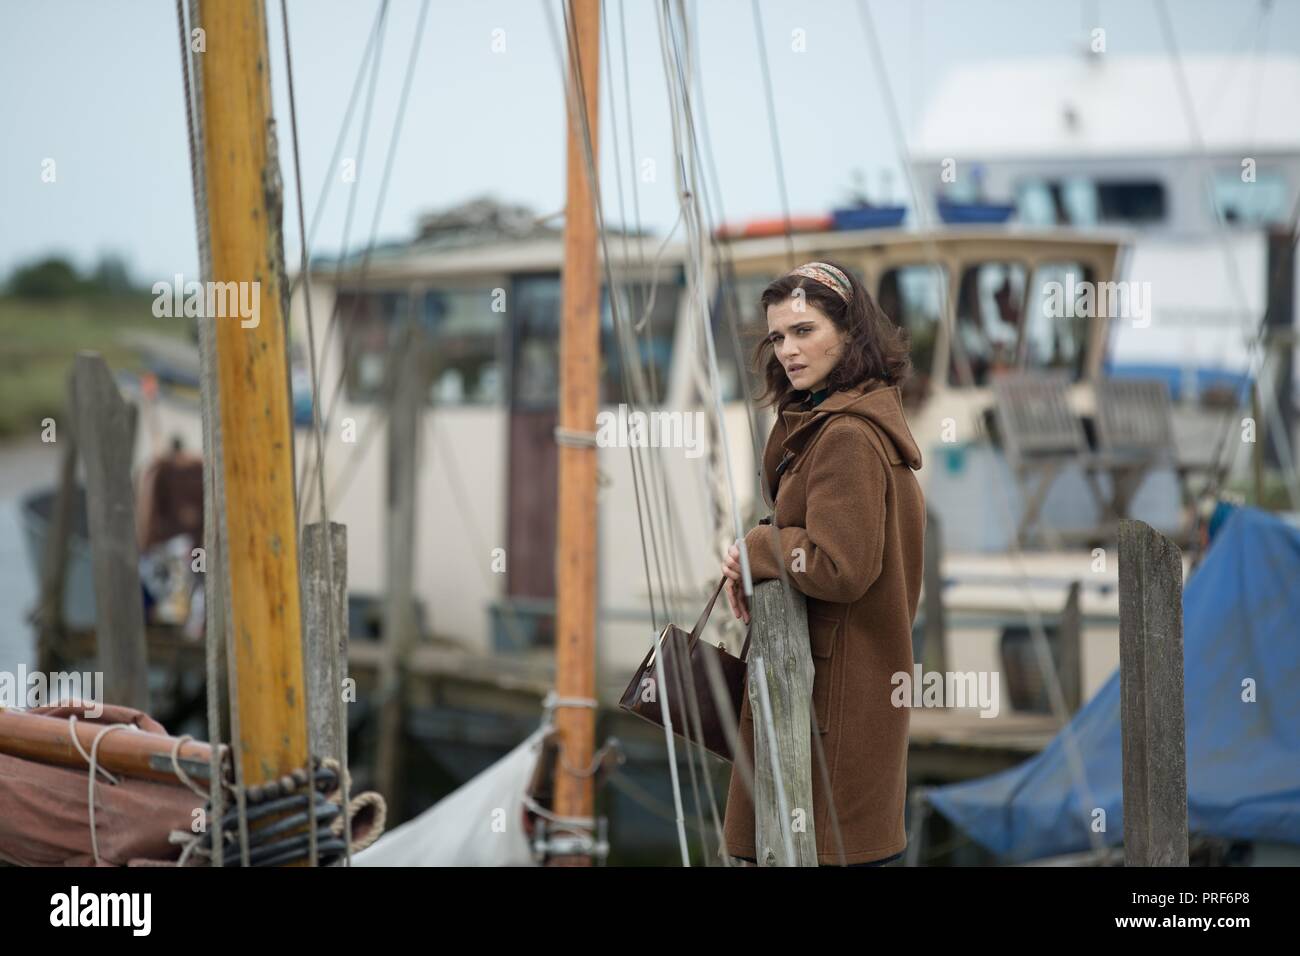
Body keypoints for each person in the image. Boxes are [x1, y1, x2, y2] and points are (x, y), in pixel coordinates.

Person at [720, 260, 925, 867]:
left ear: (850, 334)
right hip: (834, 713)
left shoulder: (847, 437)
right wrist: (763, 549)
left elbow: (838, 565)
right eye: (778, 336)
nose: (787, 349)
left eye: (805, 331)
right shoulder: (845, 425)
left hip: (829, 721)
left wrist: (758, 549)